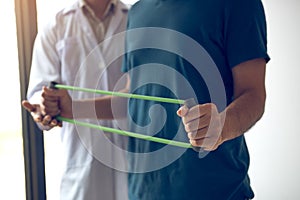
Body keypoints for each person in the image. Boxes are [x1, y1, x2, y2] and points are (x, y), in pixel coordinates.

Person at [37, 0, 270, 199]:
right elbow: (133, 99)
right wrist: (74, 109)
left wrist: (222, 127)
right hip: (143, 192)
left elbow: (253, 94)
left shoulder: (238, 3)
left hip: (214, 190)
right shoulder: (138, 11)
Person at [22, 0, 129, 199]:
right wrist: (44, 107)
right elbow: (40, 91)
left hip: (130, 161)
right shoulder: (56, 25)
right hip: (81, 166)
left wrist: (73, 108)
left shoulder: (134, 19)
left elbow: (136, 98)